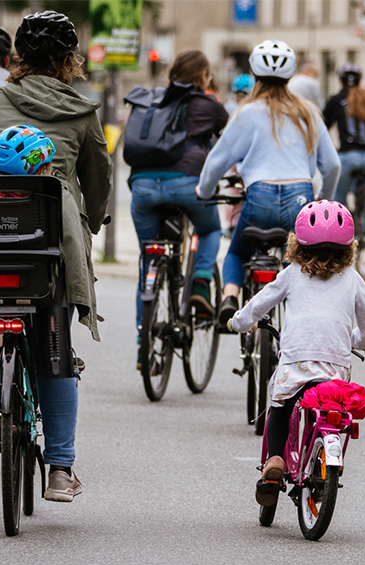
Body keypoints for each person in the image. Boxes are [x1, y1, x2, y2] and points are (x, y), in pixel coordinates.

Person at [0, 10, 113, 502]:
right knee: (58, 354)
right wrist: (92, 222)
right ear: (69, 61)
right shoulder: (81, 111)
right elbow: (98, 184)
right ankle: (59, 469)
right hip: (52, 250)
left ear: (14, 59)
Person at [226, 201, 365, 500]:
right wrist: (358, 341)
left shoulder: (292, 274)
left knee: (281, 406)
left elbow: (260, 302)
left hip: (295, 362)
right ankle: (319, 456)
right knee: (329, 408)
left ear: (296, 245)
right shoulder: (353, 280)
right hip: (334, 368)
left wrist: (239, 322)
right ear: (350, 248)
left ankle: (274, 460)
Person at [196, 39, 341, 325]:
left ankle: (230, 297)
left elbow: (216, 161)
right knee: (297, 264)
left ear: (254, 75)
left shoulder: (245, 113)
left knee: (237, 251)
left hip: (258, 196)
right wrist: (323, 200)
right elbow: (333, 165)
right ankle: (295, 317)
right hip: (300, 197)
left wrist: (204, 190)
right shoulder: (308, 113)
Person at [129, 49, 228, 348]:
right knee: (210, 228)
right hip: (187, 185)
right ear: (202, 77)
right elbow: (228, 146)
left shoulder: (150, 100)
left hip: (142, 185)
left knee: (149, 260)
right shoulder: (209, 105)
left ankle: (142, 343)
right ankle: (200, 281)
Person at [323, 63, 365, 207]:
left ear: (340, 80)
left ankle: (341, 224)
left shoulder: (337, 100)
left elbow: (323, 128)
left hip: (349, 156)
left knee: (339, 197)